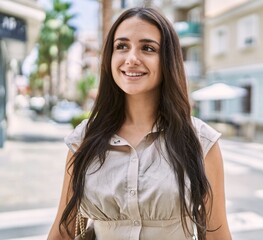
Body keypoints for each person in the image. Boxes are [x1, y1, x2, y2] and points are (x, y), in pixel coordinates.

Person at [48, 7, 231, 240]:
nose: (132, 59)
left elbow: (218, 235)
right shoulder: (84, 139)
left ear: (167, 60)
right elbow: (62, 231)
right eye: (122, 46)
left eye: (148, 48)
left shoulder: (201, 141)